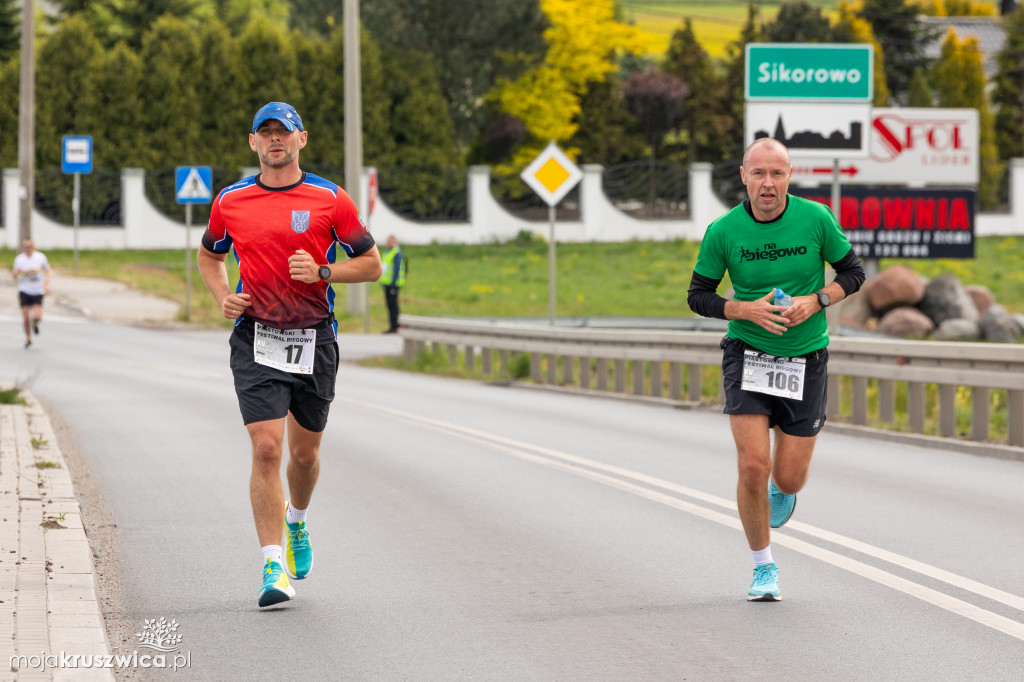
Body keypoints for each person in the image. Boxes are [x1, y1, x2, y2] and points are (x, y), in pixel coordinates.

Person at [197, 101, 382, 608]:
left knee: (304, 455)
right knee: (266, 449)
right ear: (252, 142)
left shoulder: (329, 199)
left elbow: (371, 264)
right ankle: (272, 566)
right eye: (266, 133)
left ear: (302, 139)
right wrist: (221, 297)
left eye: (285, 132)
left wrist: (325, 273)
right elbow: (210, 255)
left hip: (314, 339)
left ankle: (296, 520)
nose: (275, 140)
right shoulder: (231, 201)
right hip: (256, 336)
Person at [686, 137, 865, 602]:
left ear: (790, 176)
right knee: (751, 465)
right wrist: (743, 310)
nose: (768, 184)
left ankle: (781, 491)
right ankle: (763, 567)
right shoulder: (724, 231)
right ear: (744, 176)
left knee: (787, 478)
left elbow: (854, 273)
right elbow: (699, 295)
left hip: (806, 358)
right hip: (749, 355)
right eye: (759, 174)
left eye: (777, 173)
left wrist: (818, 300)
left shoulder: (816, 219)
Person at [12, 238, 52, 349]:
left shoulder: (40, 257)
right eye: (25, 247)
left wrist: (46, 284)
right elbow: (14, 275)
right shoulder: (19, 259)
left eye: (29, 247)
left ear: (33, 247)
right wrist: (15, 274)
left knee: (37, 316)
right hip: (24, 290)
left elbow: (48, 270)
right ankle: (28, 338)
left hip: (37, 290)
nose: (27, 249)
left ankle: (35, 324)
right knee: (25, 318)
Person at [380, 234, 406, 333]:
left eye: (390, 241)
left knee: (393, 305)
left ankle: (395, 326)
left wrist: (394, 285)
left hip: (393, 284)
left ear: (394, 242)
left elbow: (396, 269)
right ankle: (392, 326)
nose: (388, 243)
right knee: (389, 305)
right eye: (387, 241)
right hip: (386, 283)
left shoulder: (396, 253)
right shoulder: (387, 252)